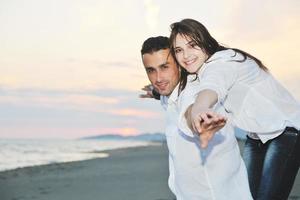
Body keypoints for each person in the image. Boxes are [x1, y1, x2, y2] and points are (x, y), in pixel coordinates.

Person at [169, 18, 300, 200]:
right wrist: (156, 91)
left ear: (205, 42)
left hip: (287, 133)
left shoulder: (225, 61)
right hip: (256, 137)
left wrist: (200, 109)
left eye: (192, 45)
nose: (186, 55)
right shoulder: (201, 72)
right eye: (179, 50)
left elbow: (212, 87)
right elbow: (193, 95)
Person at [140, 36, 252, 200]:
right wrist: (156, 92)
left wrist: (199, 120)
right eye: (151, 70)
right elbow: (165, 95)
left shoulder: (195, 91)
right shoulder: (169, 94)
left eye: (164, 67)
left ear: (179, 64)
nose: (158, 78)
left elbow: (191, 110)